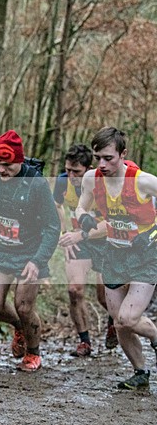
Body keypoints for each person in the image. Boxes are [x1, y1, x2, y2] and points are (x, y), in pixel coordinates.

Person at [0, 130, 60, 371]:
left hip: (30, 252)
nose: (1, 170)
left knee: (24, 307)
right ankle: (20, 327)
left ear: (19, 161)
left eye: (7, 166)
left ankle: (33, 353)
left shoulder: (36, 184)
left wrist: (38, 261)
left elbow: (53, 227)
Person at [75, 127, 157, 390]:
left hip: (145, 255)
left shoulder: (143, 181)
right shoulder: (91, 178)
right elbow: (81, 206)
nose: (102, 164)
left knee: (128, 319)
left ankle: (155, 336)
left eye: (109, 158)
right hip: (114, 254)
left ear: (123, 154)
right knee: (119, 323)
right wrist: (84, 219)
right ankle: (140, 372)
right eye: (98, 157)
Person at [53, 144, 115, 356]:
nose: (70, 176)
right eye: (68, 170)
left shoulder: (104, 184)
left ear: (89, 169)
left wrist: (81, 234)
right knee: (74, 290)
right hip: (79, 239)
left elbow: (111, 222)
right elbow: (57, 205)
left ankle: (115, 322)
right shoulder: (62, 181)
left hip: (106, 241)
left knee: (104, 297)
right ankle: (84, 342)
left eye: (76, 172)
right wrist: (64, 233)